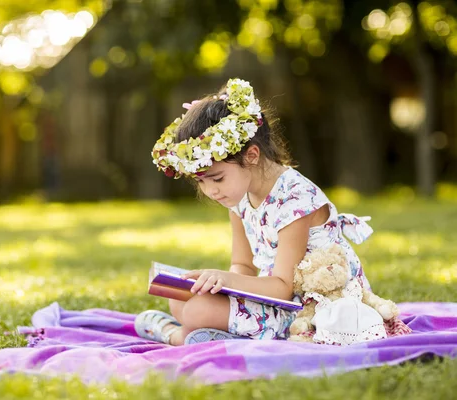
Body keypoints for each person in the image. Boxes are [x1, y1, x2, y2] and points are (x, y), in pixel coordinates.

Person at [134, 78, 374, 346]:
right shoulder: (238, 198)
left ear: (251, 156)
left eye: (217, 178)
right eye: (201, 182)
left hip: (313, 308)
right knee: (180, 300)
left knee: (197, 311)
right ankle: (206, 333)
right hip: (275, 297)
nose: (211, 191)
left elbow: (284, 287)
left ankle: (176, 335)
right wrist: (219, 284)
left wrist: (226, 282)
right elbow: (244, 266)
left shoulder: (295, 200)